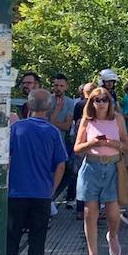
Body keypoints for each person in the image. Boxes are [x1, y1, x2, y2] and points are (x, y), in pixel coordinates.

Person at [6, 88, 67, 255]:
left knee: (11, 240)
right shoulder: (52, 132)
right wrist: (51, 190)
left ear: (28, 106)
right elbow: (60, 164)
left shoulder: (16, 129)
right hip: (41, 195)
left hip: (15, 193)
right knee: (37, 242)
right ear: (49, 106)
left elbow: (7, 158)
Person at [73, 87, 128, 255]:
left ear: (110, 102)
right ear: (91, 102)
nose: (100, 103)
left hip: (113, 167)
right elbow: (77, 147)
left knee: (113, 213)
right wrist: (93, 143)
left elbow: (126, 145)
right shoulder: (87, 120)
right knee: (90, 214)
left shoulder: (117, 119)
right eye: (96, 100)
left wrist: (110, 143)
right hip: (91, 167)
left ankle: (112, 235)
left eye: (104, 99)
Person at [47, 75, 78, 204]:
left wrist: (53, 121)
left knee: (65, 170)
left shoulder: (70, 103)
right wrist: (57, 110)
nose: (58, 88)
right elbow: (46, 123)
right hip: (46, 142)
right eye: (56, 85)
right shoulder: (47, 100)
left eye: (61, 86)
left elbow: (66, 126)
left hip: (60, 142)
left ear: (66, 87)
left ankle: (52, 197)